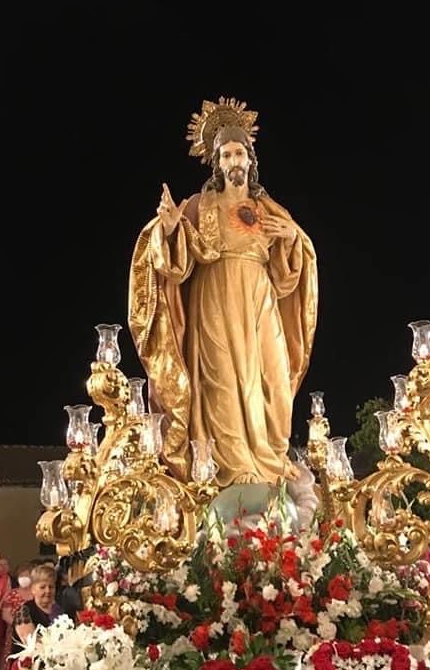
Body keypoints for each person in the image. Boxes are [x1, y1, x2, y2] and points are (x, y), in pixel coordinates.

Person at [129, 97, 318, 487]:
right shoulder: (202, 205)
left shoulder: (268, 208)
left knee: (274, 378)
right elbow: (177, 266)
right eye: (226, 154)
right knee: (223, 384)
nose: (234, 161)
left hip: (260, 298)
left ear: (250, 159)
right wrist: (167, 230)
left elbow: (288, 278)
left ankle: (272, 457)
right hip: (214, 297)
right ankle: (235, 470)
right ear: (217, 162)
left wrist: (293, 241)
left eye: (239, 153)